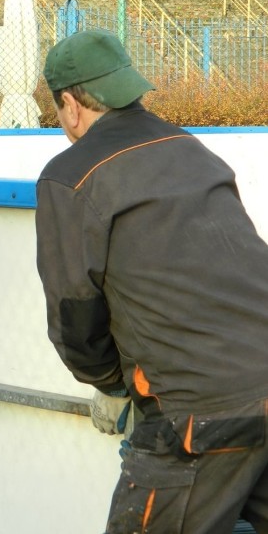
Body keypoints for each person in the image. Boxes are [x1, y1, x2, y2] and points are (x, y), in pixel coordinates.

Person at [35, 28, 268, 533]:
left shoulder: (71, 175)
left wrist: (108, 382)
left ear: (71, 106)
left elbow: (75, 312)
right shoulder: (193, 150)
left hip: (196, 414)